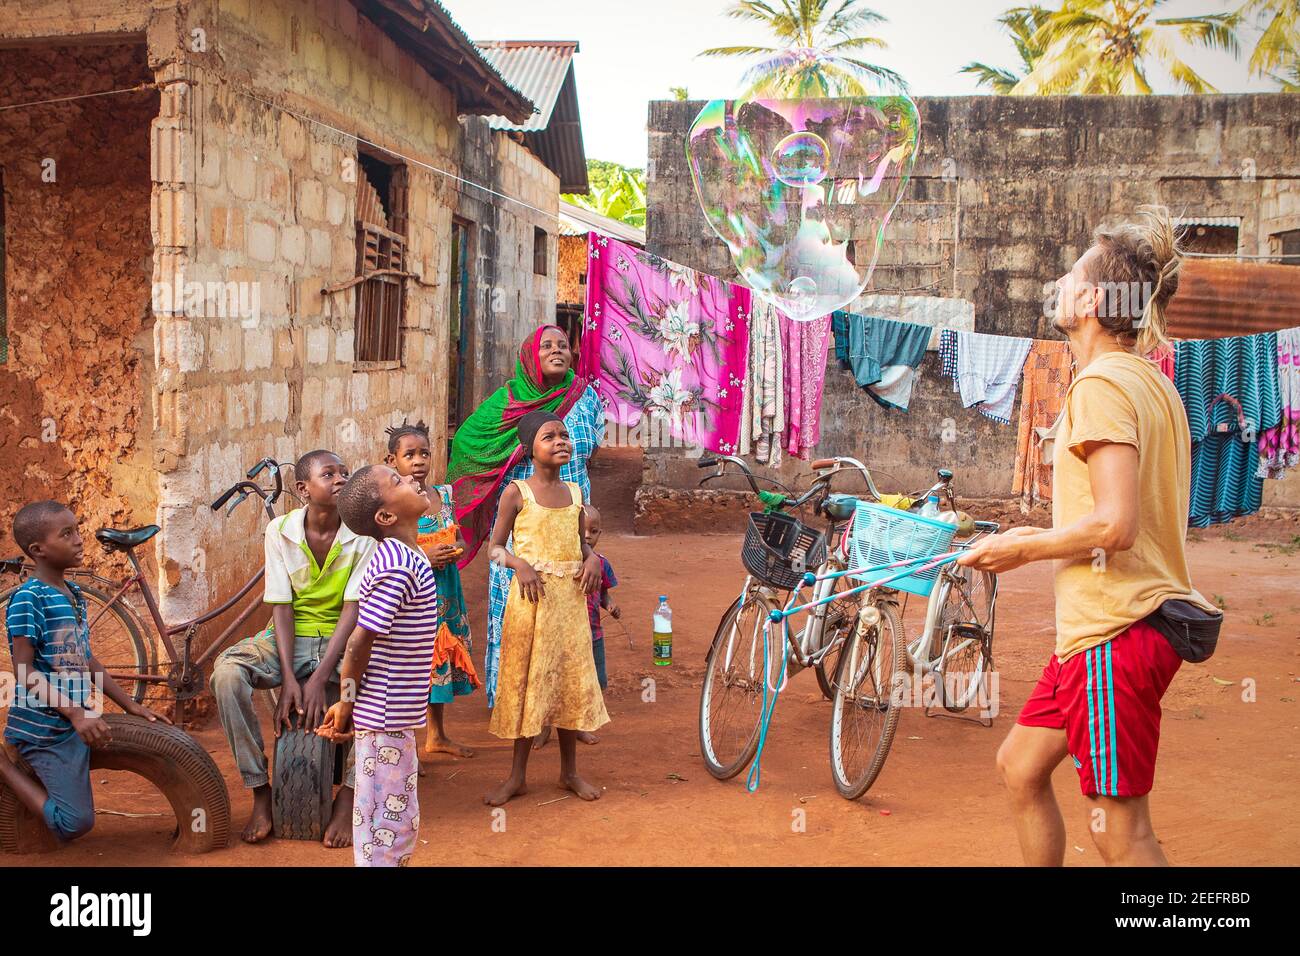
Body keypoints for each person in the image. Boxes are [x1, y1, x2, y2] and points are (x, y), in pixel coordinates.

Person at [959, 206, 1218, 866]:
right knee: (1020, 766)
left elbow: (1116, 525)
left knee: (1117, 832)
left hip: (1115, 634)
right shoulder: (1149, 381)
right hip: (1104, 632)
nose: (1059, 282)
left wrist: (1020, 546)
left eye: (1071, 274)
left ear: (1097, 300)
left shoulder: (1102, 385)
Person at [210, 450, 376, 847]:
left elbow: (353, 610)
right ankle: (259, 789)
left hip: (346, 641)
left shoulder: (364, 536)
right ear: (303, 489)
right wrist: (288, 678)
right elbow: (281, 607)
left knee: (378, 688)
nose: (340, 479)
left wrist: (320, 677)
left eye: (345, 473)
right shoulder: (280, 531)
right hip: (288, 639)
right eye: (329, 473)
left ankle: (350, 794)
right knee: (226, 674)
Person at [447, 325, 605, 710]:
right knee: (520, 620)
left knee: (568, 619)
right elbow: (470, 441)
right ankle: (517, 704)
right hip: (523, 529)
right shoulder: (509, 401)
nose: (557, 351)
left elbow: (593, 452)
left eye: (563, 346)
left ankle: (565, 706)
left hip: (570, 519)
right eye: (546, 345)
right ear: (530, 356)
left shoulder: (586, 396)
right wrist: (506, 464)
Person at [0, 501, 170, 843]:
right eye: (67, 534)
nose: (79, 539)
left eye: (77, 530)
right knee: (76, 823)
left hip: (72, 723)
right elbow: (24, 671)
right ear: (38, 550)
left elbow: (88, 660)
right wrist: (76, 714)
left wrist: (130, 705)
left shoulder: (74, 595)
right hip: (44, 730)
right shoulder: (28, 599)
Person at [482, 411, 610, 807]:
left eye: (564, 435)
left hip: (570, 606)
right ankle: (516, 776)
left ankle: (569, 772)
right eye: (548, 437)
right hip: (531, 605)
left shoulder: (575, 494)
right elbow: (495, 550)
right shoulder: (516, 493)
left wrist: (593, 560)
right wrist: (519, 564)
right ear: (529, 449)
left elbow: (582, 545)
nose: (560, 442)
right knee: (528, 683)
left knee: (569, 683)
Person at [317, 464, 439, 867]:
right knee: (389, 823)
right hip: (384, 716)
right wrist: (348, 704)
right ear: (385, 517)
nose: (413, 480)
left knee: (389, 817)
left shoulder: (405, 555)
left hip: (389, 713)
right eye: (398, 481)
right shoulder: (398, 565)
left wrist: (350, 703)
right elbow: (359, 640)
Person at [383, 419, 480, 759]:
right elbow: (384, 547)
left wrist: (456, 547)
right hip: (412, 596)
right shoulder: (392, 501)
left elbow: (458, 535)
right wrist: (424, 554)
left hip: (446, 594)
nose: (419, 460)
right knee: (412, 667)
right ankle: (405, 745)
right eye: (410, 454)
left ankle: (436, 735)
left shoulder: (444, 494)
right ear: (391, 461)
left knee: (441, 662)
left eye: (424, 453)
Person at [534, 503, 618, 749]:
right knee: (555, 678)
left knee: (595, 680)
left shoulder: (601, 564)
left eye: (594, 531)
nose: (589, 536)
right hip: (566, 633)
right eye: (584, 531)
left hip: (593, 635)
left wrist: (610, 606)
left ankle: (579, 725)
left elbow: (603, 593)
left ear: (601, 533)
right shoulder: (563, 563)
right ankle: (545, 725)